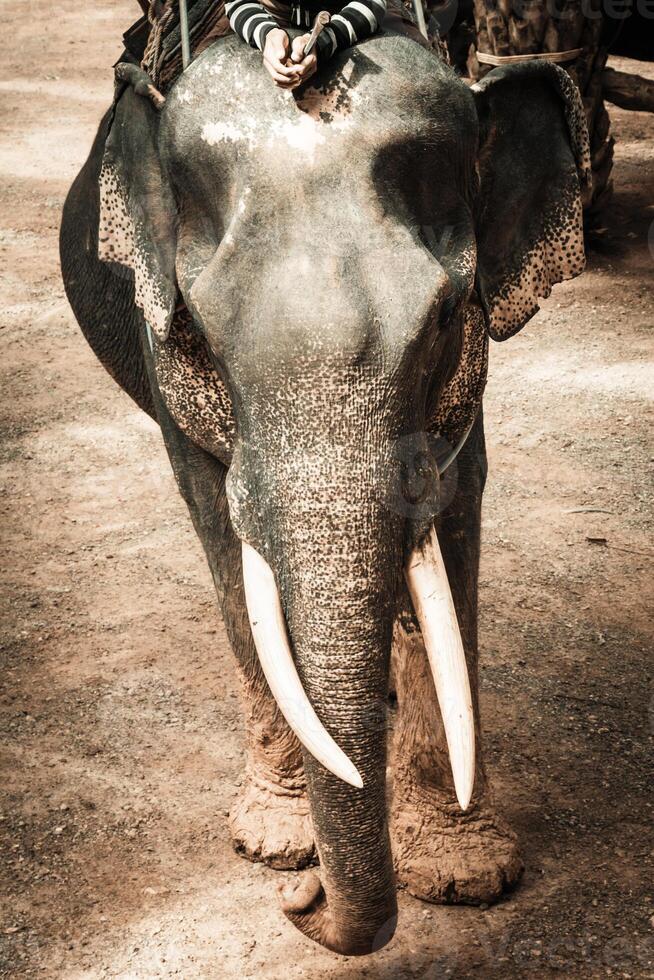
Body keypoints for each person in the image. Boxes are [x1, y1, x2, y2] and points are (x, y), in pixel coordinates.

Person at [225, 0, 387, 90]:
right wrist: (264, 32)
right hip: (268, 9)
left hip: (344, 10)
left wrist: (326, 39)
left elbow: (374, 2)